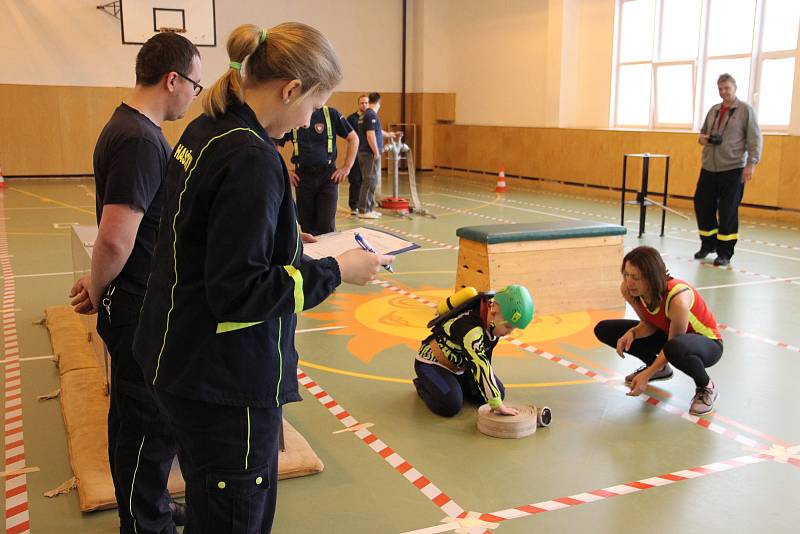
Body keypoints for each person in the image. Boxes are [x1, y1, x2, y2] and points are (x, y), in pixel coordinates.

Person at [131, 23, 392, 533]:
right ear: (291, 90)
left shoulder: (210, 127)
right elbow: (238, 291)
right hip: (224, 381)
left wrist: (289, 242)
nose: (312, 119)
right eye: (316, 106)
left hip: (176, 357)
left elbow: (208, 236)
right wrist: (337, 270)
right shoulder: (251, 156)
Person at [68, 32, 201, 533]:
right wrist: (98, 287)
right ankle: (148, 524)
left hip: (133, 303)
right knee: (151, 426)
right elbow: (115, 239)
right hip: (139, 308)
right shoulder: (141, 140)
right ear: (173, 79)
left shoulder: (129, 129)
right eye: (194, 83)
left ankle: (147, 511)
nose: (193, 95)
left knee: (130, 422)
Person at [594, 246, 723, 416]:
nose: (629, 282)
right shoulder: (629, 290)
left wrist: (647, 375)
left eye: (635, 277)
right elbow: (649, 323)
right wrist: (632, 333)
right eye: (626, 275)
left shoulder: (678, 299)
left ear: (652, 278)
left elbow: (674, 341)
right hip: (672, 339)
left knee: (675, 347)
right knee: (604, 329)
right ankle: (660, 369)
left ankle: (706, 387)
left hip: (708, 344)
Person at [413, 285, 534, 417]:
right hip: (432, 365)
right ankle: (423, 384)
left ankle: (455, 385)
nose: (508, 333)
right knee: (450, 405)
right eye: (508, 327)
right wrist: (497, 404)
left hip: (462, 367)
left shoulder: (492, 320)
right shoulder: (470, 330)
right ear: (494, 311)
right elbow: (480, 363)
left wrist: (494, 395)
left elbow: (485, 361)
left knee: (499, 392)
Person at [694, 73, 762, 266]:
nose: (724, 92)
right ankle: (708, 244)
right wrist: (703, 139)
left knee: (728, 210)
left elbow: (755, 139)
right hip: (709, 167)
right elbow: (702, 134)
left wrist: (751, 164)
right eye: (720, 88)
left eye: (727, 88)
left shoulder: (745, 110)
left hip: (733, 168)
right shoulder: (714, 110)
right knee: (702, 204)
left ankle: (725, 251)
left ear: (735, 88)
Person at [278, 104, 358, 235]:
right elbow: (273, 143)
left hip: (328, 176)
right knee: (306, 226)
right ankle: (311, 256)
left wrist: (346, 168)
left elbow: (353, 138)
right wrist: (284, 170)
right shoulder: (293, 114)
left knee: (326, 226)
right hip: (303, 177)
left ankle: (328, 254)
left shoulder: (331, 113)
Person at [356, 91, 395, 219]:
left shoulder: (365, 114)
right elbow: (370, 134)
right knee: (369, 181)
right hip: (369, 153)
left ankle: (369, 208)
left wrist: (389, 135)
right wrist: (376, 152)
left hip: (365, 152)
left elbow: (376, 130)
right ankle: (364, 210)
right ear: (379, 102)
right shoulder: (371, 114)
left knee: (370, 180)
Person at [346, 94, 369, 215]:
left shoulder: (369, 118)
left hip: (366, 155)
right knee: (355, 180)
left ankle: (364, 205)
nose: (364, 105)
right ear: (358, 104)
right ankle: (353, 205)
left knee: (367, 180)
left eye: (366, 103)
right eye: (362, 103)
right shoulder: (351, 119)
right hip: (355, 154)